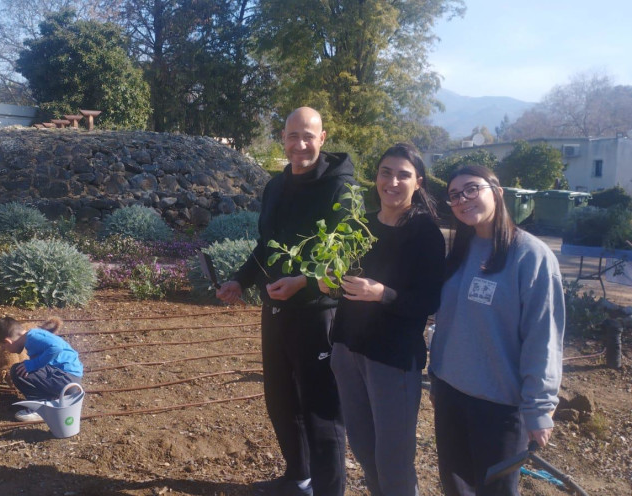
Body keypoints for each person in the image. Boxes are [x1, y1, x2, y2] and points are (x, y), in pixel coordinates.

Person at [217, 107, 353, 496]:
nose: (300, 144)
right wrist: (240, 281)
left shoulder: (338, 187)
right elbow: (265, 244)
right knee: (280, 398)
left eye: (308, 135)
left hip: (317, 312)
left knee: (321, 412)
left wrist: (305, 283)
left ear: (323, 138)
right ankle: (299, 476)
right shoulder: (275, 187)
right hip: (276, 308)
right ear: (283, 138)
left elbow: (344, 253)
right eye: (293, 136)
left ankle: (328, 491)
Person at [429, 165, 565, 495]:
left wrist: (539, 408)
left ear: (498, 192)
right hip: (450, 393)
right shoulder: (460, 252)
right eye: (455, 195)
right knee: (455, 485)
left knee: (497, 490)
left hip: (499, 406)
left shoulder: (531, 256)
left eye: (472, 189)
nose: (463, 199)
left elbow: (543, 338)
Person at [318, 143, 444, 495]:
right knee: (363, 448)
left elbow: (428, 300)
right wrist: (327, 282)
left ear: (418, 182)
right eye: (385, 172)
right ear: (376, 177)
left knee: (393, 458)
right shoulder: (359, 227)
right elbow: (341, 282)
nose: (393, 181)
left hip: (392, 358)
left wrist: (381, 293)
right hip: (348, 350)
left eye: (403, 175)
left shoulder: (425, 234)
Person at [0, 316, 83, 422]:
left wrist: (33, 364)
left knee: (17, 371)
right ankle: (51, 400)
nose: (6, 350)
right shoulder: (33, 336)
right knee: (24, 369)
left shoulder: (32, 338)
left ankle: (41, 409)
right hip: (67, 379)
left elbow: (56, 347)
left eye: (4, 347)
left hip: (66, 379)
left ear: (8, 341)